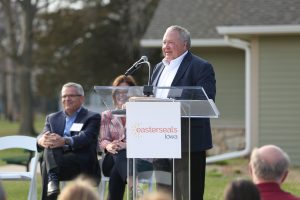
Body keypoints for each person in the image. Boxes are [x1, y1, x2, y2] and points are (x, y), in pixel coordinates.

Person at [150, 25, 216, 200]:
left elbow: (206, 102)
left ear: (185, 45)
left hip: (187, 145)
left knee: (188, 195)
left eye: (171, 42)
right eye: (164, 42)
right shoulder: (158, 68)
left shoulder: (200, 67)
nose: (166, 46)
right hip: (160, 142)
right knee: (164, 194)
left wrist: (172, 107)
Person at [37, 82, 101, 200]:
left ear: (81, 98)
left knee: (46, 161)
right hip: (59, 164)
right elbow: (42, 135)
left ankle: (52, 180)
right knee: (49, 143)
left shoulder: (92, 117)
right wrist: (41, 140)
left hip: (81, 164)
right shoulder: (52, 118)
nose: (67, 99)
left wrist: (64, 141)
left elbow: (86, 137)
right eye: (64, 96)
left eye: (71, 95)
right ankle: (53, 179)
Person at [99, 75, 153, 200]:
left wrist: (127, 145)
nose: (122, 95)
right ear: (114, 94)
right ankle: (134, 186)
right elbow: (102, 140)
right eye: (118, 92)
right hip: (110, 158)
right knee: (119, 152)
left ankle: (133, 185)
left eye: (126, 92)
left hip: (140, 161)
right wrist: (109, 145)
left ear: (133, 95)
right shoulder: (107, 115)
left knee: (117, 167)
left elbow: (148, 142)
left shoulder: (143, 115)